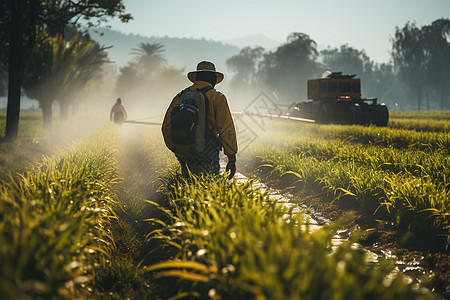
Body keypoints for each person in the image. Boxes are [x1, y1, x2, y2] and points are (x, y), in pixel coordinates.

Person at [162, 61, 237, 178]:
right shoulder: (217, 97)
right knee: (209, 184)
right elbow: (226, 128)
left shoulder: (181, 96)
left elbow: (166, 127)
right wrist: (231, 156)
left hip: (183, 149)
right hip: (208, 149)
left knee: (188, 183)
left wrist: (177, 149)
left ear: (196, 78)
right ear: (213, 79)